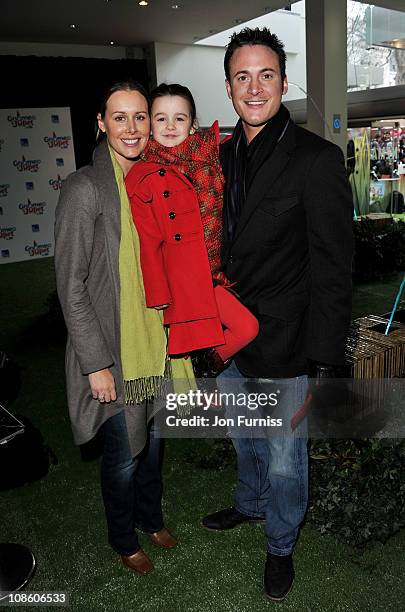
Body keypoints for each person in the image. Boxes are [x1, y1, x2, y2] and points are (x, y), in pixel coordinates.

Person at [201, 28, 354, 602]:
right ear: (229, 87)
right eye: (243, 77)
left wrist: (325, 356)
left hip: (288, 344)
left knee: (287, 461)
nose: (255, 87)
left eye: (266, 75)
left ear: (285, 83)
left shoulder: (317, 160)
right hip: (226, 336)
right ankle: (250, 505)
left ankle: (281, 544)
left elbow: (334, 266)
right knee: (243, 438)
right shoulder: (217, 157)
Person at [54, 80, 190, 576]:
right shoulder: (84, 188)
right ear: (101, 123)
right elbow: (71, 285)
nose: (132, 129)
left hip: (154, 345)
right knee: (122, 456)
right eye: (120, 117)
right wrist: (96, 364)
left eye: (140, 117)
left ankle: (151, 516)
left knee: (154, 445)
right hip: (112, 351)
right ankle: (122, 536)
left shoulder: (154, 181)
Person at [125, 83, 258, 372]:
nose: (170, 126)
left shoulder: (212, 156)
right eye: (161, 118)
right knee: (247, 327)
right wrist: (159, 295)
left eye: (180, 118)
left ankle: (202, 368)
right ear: (149, 123)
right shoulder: (144, 175)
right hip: (185, 283)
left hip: (216, 272)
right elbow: (148, 242)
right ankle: (203, 369)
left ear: (193, 124)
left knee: (241, 332)